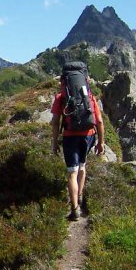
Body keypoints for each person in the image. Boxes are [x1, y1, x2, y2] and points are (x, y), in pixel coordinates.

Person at [51, 67, 104, 221]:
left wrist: (54, 143)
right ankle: (79, 197)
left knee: (71, 172)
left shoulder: (61, 97)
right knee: (82, 167)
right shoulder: (90, 97)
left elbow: (55, 122)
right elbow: (99, 121)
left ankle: (74, 209)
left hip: (70, 137)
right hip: (88, 136)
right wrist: (101, 142)